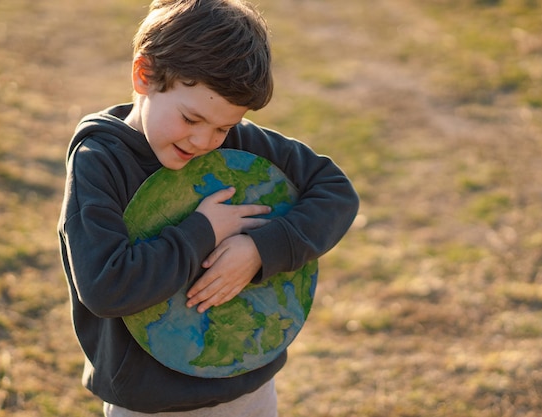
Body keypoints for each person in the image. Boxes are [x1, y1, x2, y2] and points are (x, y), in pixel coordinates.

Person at [57, 0, 359, 415]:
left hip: (249, 384)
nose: (204, 142)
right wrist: (202, 233)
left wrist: (259, 251)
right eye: (191, 119)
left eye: (223, 127)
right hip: (152, 402)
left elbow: (336, 192)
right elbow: (107, 286)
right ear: (145, 75)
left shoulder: (240, 141)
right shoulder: (102, 161)